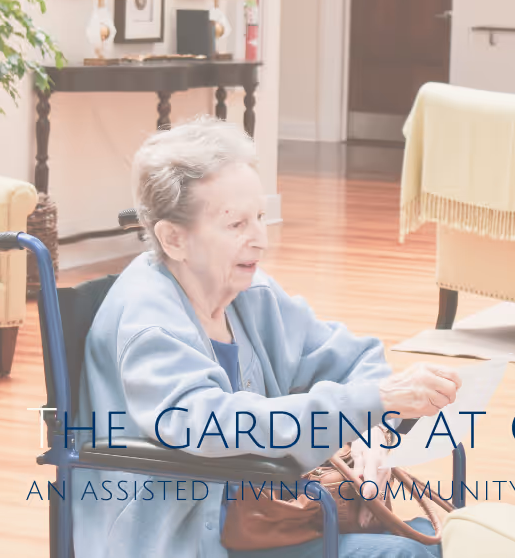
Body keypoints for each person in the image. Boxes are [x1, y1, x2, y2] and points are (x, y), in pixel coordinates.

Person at [74, 118, 461, 558]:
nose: (260, 239)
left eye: (260, 216)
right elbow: (215, 425)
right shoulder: (149, 322)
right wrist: (369, 402)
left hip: (268, 513)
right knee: (410, 553)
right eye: (236, 225)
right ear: (174, 238)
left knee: (459, 538)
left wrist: (373, 430)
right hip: (192, 535)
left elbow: (357, 360)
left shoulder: (249, 292)